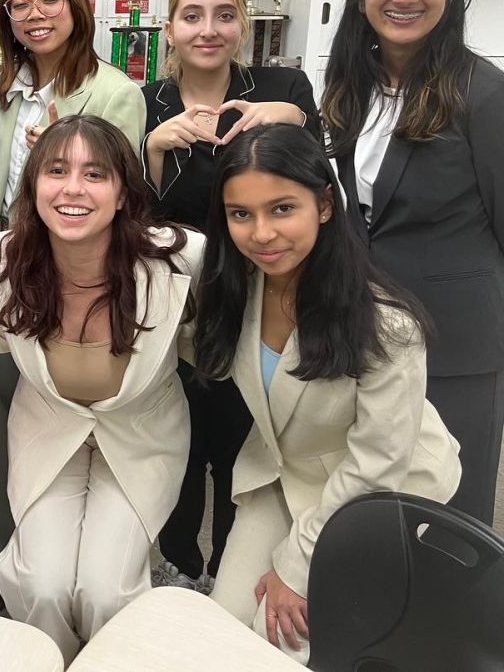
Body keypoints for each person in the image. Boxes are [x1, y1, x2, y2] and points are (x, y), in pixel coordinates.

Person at [193, 123, 460, 663]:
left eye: (282, 209)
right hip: (284, 477)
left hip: (380, 495)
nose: (262, 233)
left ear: (323, 205)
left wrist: (295, 569)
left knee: (278, 642)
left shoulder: (386, 325)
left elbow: (375, 468)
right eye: (241, 214)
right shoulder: (238, 288)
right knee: (220, 633)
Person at [0, 114, 203, 666]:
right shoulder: (0, 260)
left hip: (140, 438)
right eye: (57, 170)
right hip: (50, 432)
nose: (73, 188)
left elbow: (219, 330)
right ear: (33, 186)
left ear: (122, 193)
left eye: (95, 174)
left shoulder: (178, 260)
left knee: (106, 589)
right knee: (39, 585)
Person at [0, 0, 144, 612]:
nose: (35, 13)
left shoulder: (112, 92)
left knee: (67, 440)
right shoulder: (4, 88)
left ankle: (73, 576)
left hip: (73, 291)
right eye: (19, 3)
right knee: (2, 431)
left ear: (77, 5)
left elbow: (114, 202)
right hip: (6, 281)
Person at [142, 0, 319, 594]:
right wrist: (155, 149)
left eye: (224, 15)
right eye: (192, 16)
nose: (208, 29)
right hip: (181, 308)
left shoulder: (281, 86)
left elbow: (318, 183)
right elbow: (136, 220)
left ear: (243, 26)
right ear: (169, 29)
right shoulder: (149, 103)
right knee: (181, 441)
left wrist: (293, 115)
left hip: (265, 300)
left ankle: (235, 571)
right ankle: (180, 566)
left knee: (246, 445)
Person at [322, 0, 504, 526]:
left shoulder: (484, 93)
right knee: (383, 489)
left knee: (452, 497)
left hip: (457, 340)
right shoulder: (354, 85)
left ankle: (455, 618)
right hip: (375, 324)